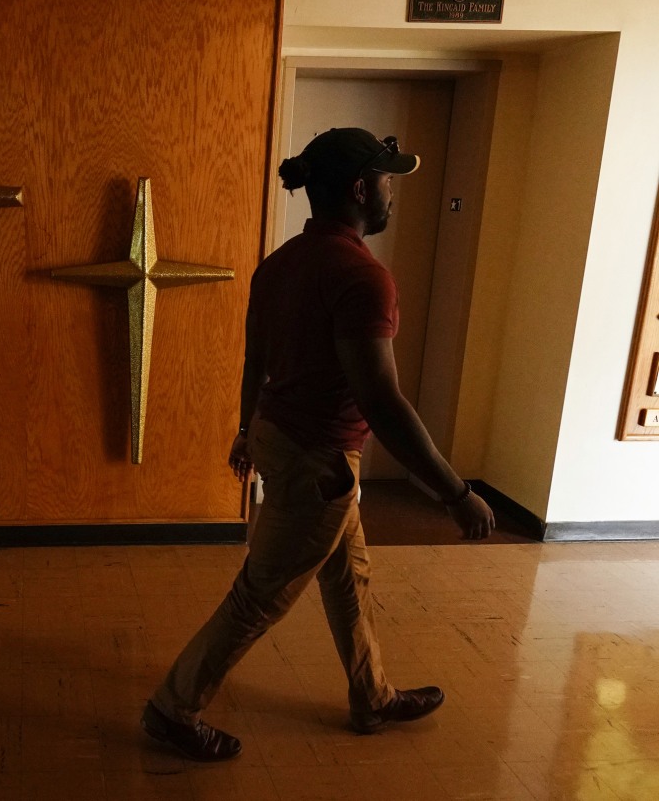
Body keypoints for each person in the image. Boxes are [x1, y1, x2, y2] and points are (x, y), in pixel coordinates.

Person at [140, 127, 496, 761]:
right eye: (387, 180)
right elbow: (382, 403)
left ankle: (373, 696)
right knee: (260, 596)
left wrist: (248, 430)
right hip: (317, 461)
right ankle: (174, 709)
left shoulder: (280, 263)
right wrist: (455, 493)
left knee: (348, 577)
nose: (392, 193)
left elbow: (257, 359)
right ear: (360, 189)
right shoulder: (363, 278)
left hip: (285, 439)